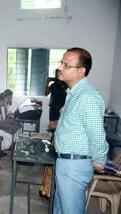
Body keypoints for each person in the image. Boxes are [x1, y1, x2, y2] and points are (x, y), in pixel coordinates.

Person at [54, 47, 109, 213]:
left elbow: (97, 134)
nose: (60, 68)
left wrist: (99, 160)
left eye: (66, 65)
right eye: (61, 63)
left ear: (81, 71)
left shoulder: (87, 97)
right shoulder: (74, 93)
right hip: (66, 163)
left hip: (74, 165)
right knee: (61, 209)